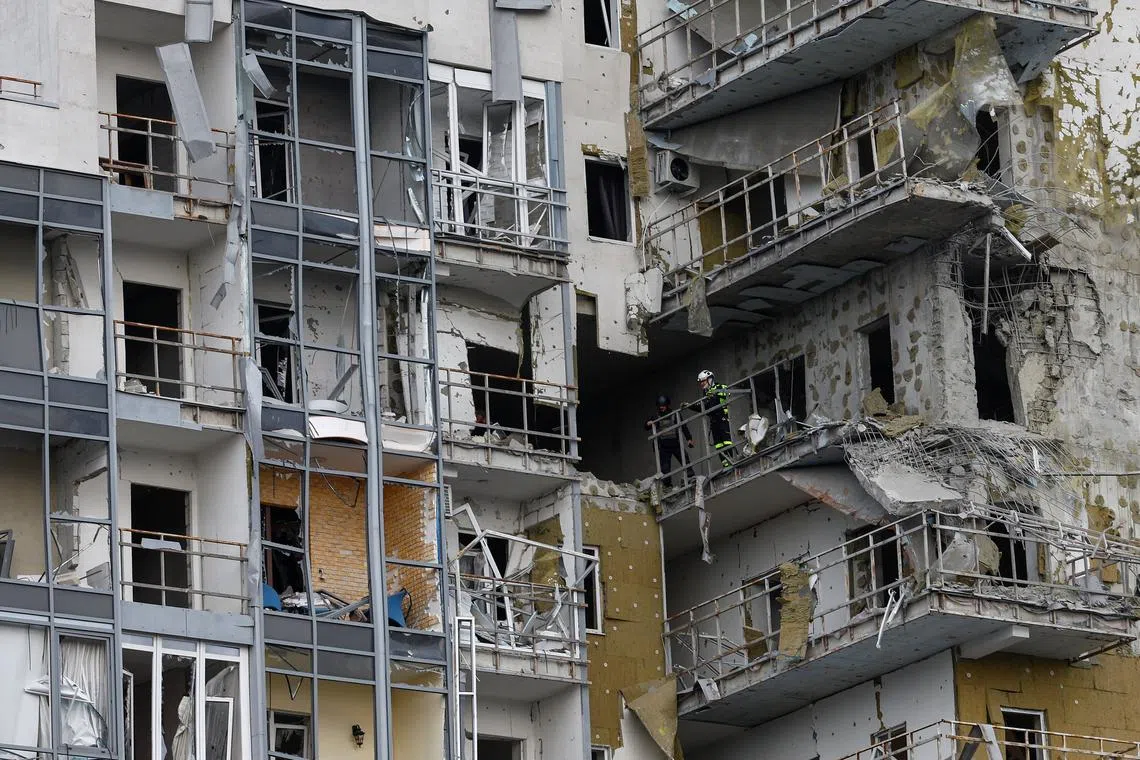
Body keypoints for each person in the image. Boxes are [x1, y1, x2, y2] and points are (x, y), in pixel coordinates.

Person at [645, 394, 695, 487]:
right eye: (660, 406)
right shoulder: (656, 416)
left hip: (675, 444)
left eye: (663, 406)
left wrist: (689, 439)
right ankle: (668, 487)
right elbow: (646, 426)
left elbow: (683, 426)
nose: (661, 408)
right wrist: (649, 423)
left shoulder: (674, 414)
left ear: (667, 405)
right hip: (663, 447)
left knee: (685, 459)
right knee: (665, 469)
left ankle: (691, 478)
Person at [698, 369, 735, 467]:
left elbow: (727, 392)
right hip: (714, 422)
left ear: (710, 379)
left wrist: (714, 394)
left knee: (727, 441)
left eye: (703, 381)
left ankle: (733, 460)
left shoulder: (720, 387)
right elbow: (703, 408)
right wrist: (690, 406)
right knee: (718, 444)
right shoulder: (705, 395)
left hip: (722, 418)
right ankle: (726, 464)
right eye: (700, 382)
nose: (702, 384)